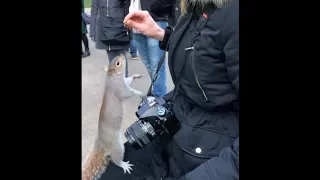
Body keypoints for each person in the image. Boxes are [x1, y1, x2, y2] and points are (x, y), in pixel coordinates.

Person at [99, 0, 239, 179]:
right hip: (175, 131)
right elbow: (205, 50)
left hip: (208, 154)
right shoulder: (195, 7)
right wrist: (162, 34)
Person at [130, 0, 174, 97]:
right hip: (135, 24)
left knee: (156, 65)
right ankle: (158, 92)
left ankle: (160, 99)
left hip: (155, 20)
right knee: (148, 63)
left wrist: (154, 8)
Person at [90, 0, 130, 77]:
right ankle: (116, 83)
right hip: (104, 30)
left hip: (119, 29)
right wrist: (92, 31)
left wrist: (127, 29)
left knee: (121, 58)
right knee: (112, 60)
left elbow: (127, 10)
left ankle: (123, 82)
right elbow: (94, 10)